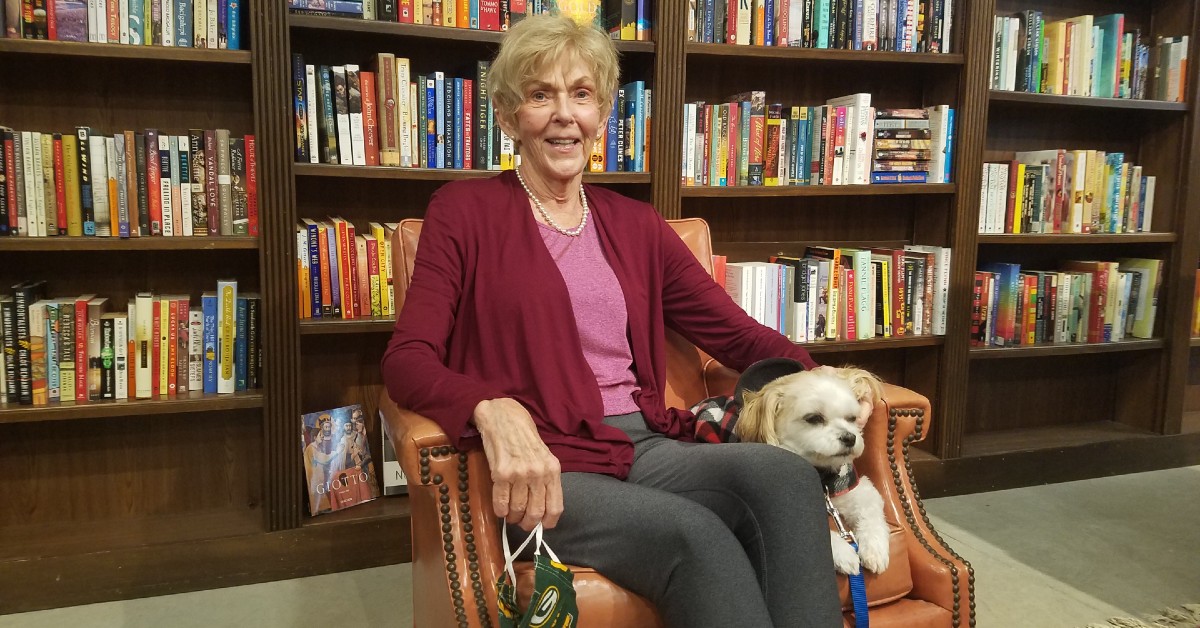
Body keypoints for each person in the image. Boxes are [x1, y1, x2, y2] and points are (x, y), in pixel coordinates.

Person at [382, 13, 854, 628]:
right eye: (540, 94)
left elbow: (735, 333)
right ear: (507, 116)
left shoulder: (635, 224)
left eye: (581, 95)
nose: (563, 114)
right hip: (547, 461)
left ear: (603, 116)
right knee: (696, 535)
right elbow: (407, 359)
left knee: (786, 478)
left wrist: (834, 384)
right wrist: (490, 407)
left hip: (646, 443)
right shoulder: (463, 212)